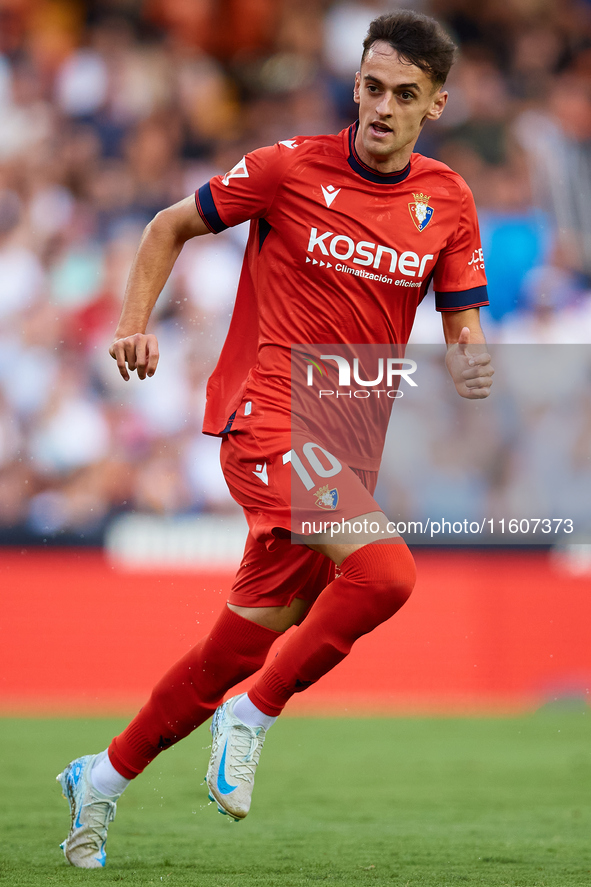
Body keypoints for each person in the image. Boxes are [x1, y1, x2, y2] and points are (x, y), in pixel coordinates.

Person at [57, 9, 493, 868]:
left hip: (340, 451)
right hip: (265, 418)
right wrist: (134, 322)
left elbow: (464, 327)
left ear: (434, 105)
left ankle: (100, 777)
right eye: (371, 86)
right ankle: (254, 715)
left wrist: (473, 365)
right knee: (385, 571)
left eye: (404, 94)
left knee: (233, 646)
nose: (380, 107)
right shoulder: (287, 168)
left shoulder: (446, 201)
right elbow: (165, 225)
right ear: (355, 85)